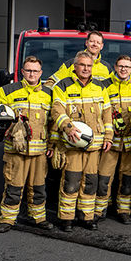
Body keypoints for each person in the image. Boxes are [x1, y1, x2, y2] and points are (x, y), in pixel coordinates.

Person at [0, 56, 54, 233]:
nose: (31, 74)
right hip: (15, 150)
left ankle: (38, 218)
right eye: (28, 70)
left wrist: (52, 145)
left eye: (35, 71)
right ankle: (7, 220)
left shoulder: (50, 94)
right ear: (22, 72)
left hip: (40, 152)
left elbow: (53, 122)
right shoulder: (9, 90)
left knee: (38, 188)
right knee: (13, 187)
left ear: (41, 73)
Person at [51, 51, 113, 232]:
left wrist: (108, 137)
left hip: (94, 146)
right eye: (82, 65)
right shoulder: (62, 86)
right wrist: (68, 127)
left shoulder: (100, 87)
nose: (86, 69)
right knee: (71, 182)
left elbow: (107, 113)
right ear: (75, 66)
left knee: (90, 182)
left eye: (89, 65)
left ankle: (86, 217)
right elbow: (57, 110)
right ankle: (66, 218)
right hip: (72, 145)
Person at [94, 55, 131, 224]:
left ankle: (124, 210)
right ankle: (99, 210)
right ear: (115, 67)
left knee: (128, 179)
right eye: (120, 66)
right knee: (104, 178)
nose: (124, 69)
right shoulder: (104, 86)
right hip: (110, 143)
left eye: (127, 66)